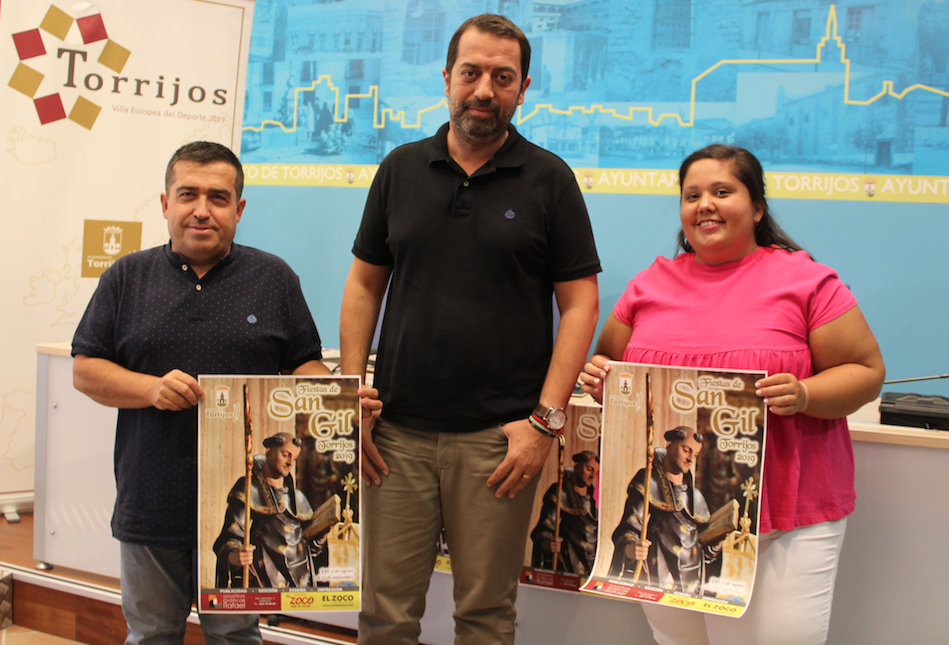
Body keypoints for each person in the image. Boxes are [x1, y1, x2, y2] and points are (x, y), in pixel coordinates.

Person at [339, 14, 600, 645]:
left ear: (523, 87)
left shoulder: (550, 180)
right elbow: (363, 285)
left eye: (502, 77)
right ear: (448, 78)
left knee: (485, 617)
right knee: (384, 616)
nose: (485, 89)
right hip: (394, 438)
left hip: (500, 443)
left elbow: (582, 304)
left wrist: (545, 423)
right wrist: (351, 396)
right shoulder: (400, 169)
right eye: (472, 72)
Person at [71, 141, 380, 644]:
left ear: (238, 209)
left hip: (248, 515)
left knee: (236, 637)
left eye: (218, 197)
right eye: (187, 194)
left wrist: (339, 397)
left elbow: (301, 362)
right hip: (151, 500)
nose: (201, 209)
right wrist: (150, 389)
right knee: (150, 634)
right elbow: (86, 370)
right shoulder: (127, 277)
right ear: (165, 204)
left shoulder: (273, 277)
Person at [580, 144, 885, 645]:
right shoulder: (649, 285)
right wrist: (600, 379)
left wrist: (805, 392)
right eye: (692, 194)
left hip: (786, 517)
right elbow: (610, 369)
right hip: (672, 526)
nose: (705, 204)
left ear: (758, 207)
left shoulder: (807, 281)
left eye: (723, 191)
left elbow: (867, 371)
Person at [608, 428, 719, 595]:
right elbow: (628, 528)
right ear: (669, 445)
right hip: (655, 580)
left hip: (691, 588)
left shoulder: (695, 497)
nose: (689, 458)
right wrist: (630, 548)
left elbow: (704, 552)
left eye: (695, 454)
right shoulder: (648, 482)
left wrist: (717, 542)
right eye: (686, 450)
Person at [213, 433, 327, 589]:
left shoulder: (298, 498)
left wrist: (320, 537)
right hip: (263, 585)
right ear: (268, 452)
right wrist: (235, 556)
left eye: (294, 458)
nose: (289, 463)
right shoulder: (248, 490)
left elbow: (308, 550)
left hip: (300, 587)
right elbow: (229, 540)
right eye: (285, 455)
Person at [530, 450, 599, 577]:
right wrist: (548, 543)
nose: (592, 475)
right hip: (566, 565)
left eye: (595, 472)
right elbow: (544, 528)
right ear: (577, 465)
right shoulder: (560, 492)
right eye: (589, 469)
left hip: (591, 567)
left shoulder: (595, 500)